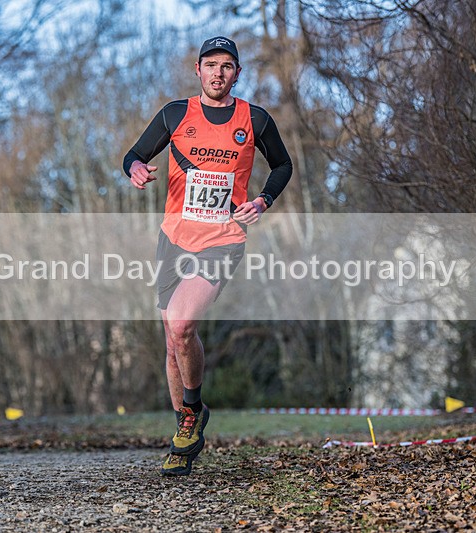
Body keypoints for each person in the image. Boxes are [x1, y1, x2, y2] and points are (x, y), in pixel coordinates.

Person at [123, 36, 293, 476]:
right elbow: (134, 155)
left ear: (238, 73)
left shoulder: (254, 119)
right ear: (197, 70)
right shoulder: (175, 114)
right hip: (173, 238)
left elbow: (283, 166)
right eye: (211, 65)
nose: (219, 73)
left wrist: (263, 201)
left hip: (223, 238)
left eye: (227, 66)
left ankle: (193, 410)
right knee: (171, 342)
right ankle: (184, 438)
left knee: (182, 324)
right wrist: (136, 169)